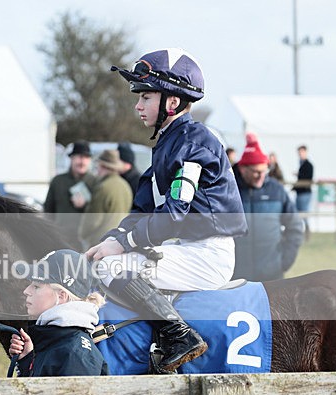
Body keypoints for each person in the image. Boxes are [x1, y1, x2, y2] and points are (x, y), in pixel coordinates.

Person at [87, 48, 247, 372]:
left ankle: (180, 336)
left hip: (207, 255)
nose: (138, 105)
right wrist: (107, 242)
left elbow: (175, 214)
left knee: (112, 269)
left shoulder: (193, 141)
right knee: (103, 261)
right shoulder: (166, 143)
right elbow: (141, 210)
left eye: (145, 97)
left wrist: (122, 245)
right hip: (186, 247)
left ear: (171, 102)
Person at [8, 249, 108, 376]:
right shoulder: (57, 340)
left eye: (37, 286)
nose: (26, 291)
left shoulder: (76, 354)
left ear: (61, 296)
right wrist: (26, 361)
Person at [233, 134, 303, 281]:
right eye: (256, 172)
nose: (261, 176)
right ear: (243, 169)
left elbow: (295, 226)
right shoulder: (228, 190)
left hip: (271, 277)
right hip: (234, 277)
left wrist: (283, 262)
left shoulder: (276, 191)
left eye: (264, 171)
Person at [43, 140, 96, 247]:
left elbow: (100, 214)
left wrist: (85, 206)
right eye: (78, 157)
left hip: (86, 242)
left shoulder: (96, 182)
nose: (82, 161)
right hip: (61, 239)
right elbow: (48, 211)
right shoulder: (58, 181)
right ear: (71, 158)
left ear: (90, 160)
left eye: (86, 157)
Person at [77, 149, 133, 248]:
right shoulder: (125, 186)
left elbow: (93, 220)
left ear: (103, 166)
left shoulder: (103, 187)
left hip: (100, 243)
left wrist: (82, 234)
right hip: (119, 241)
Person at [293, 144, 314, 236]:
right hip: (300, 192)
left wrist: (298, 175)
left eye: (301, 152)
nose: (300, 154)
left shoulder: (308, 165)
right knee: (298, 213)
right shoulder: (301, 164)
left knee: (303, 213)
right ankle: (300, 231)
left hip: (305, 193)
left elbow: (307, 179)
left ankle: (306, 230)